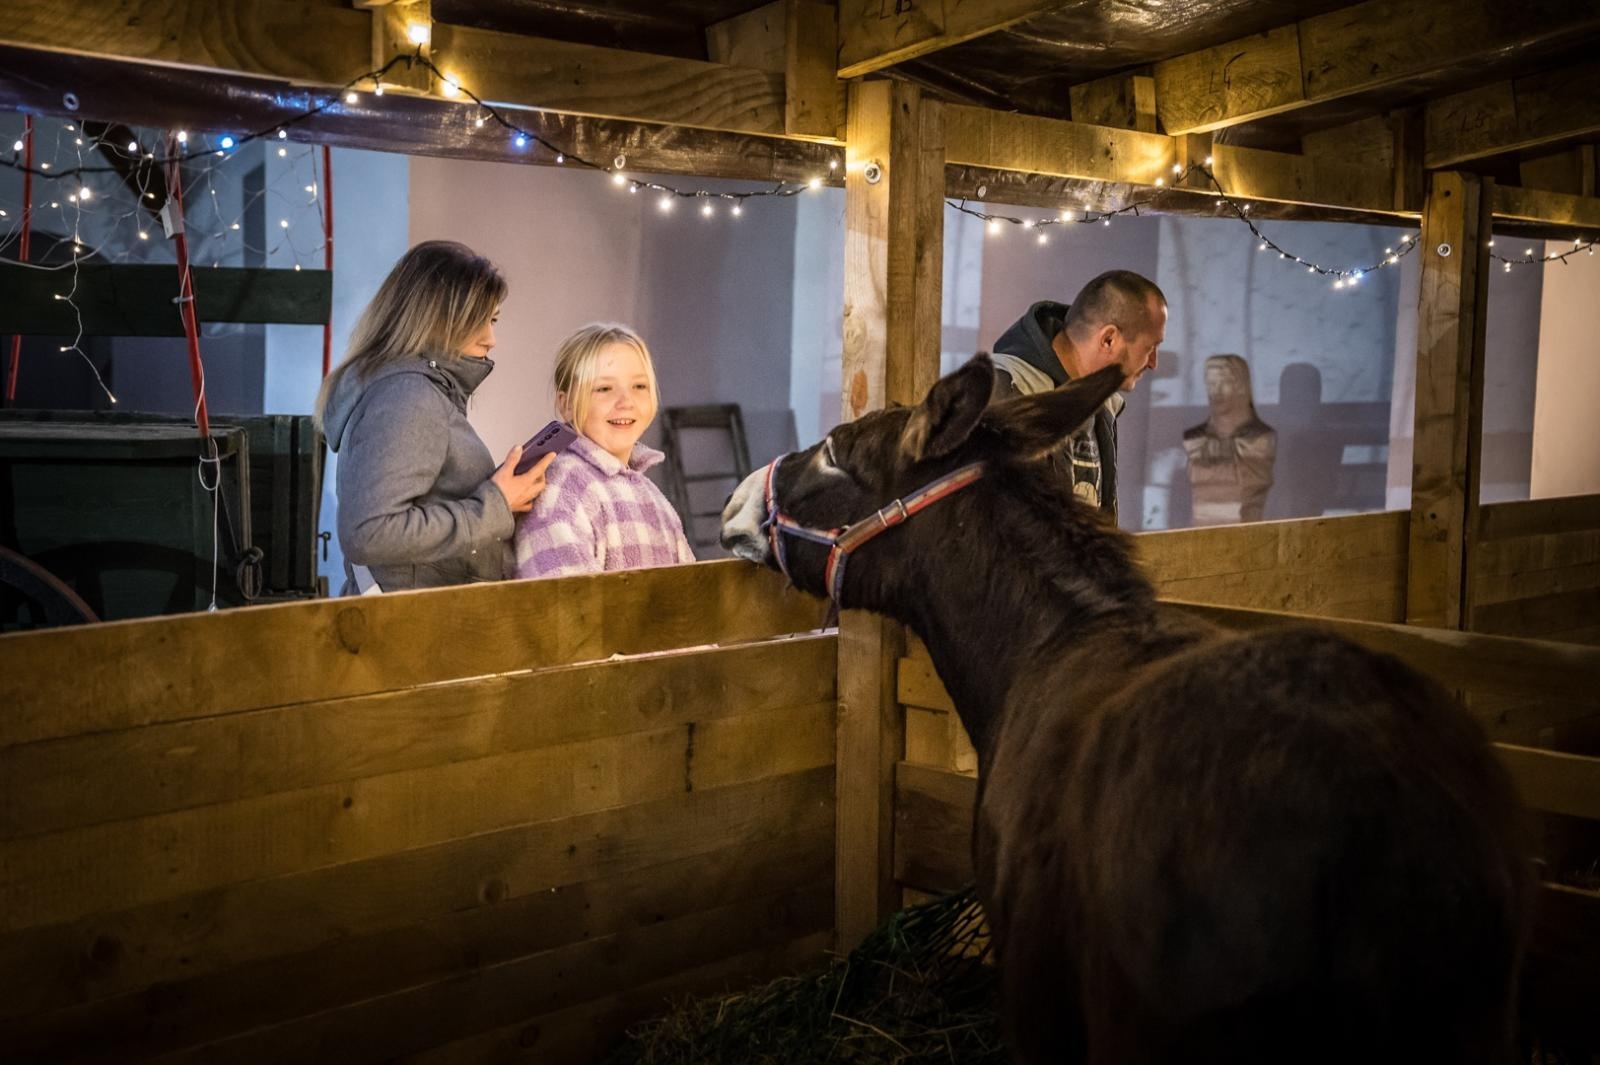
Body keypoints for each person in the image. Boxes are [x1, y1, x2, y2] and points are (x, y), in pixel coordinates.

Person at [315, 240, 553, 595]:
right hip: (417, 631)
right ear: (436, 319)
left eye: (493, 319)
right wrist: (495, 504)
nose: (492, 339)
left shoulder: (410, 390)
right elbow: (370, 533)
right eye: (479, 320)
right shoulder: (408, 397)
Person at [512, 323, 695, 579]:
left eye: (639, 386)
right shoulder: (560, 487)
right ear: (566, 405)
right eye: (604, 389)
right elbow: (564, 604)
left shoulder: (650, 494)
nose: (626, 402)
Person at [989, 270, 1167, 523]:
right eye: (1149, 348)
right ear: (1108, 339)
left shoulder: (1102, 402)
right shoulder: (1006, 391)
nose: (1153, 363)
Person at [1183, 354, 1277, 525]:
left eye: (1223, 382)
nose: (1215, 391)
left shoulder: (1260, 439)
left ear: (1241, 385)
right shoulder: (1194, 441)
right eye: (1211, 384)